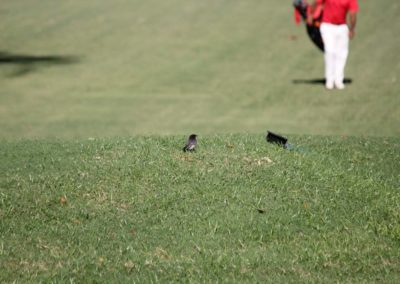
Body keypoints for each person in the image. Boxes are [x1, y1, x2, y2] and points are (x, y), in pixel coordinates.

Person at [308, 0, 359, 90]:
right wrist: (310, 15)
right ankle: (329, 80)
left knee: (342, 54)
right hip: (327, 26)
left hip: (342, 27)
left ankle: (338, 80)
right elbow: (316, 3)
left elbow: (352, 13)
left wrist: (352, 29)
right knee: (330, 51)